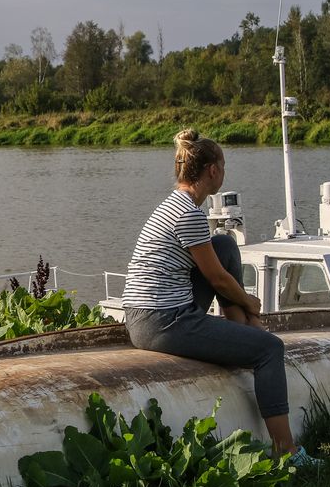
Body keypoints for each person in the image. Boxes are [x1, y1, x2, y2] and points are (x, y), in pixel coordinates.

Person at [121, 129, 316, 463]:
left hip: (147, 312)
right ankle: (287, 451)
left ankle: (243, 330)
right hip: (163, 321)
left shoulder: (175, 204)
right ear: (212, 170)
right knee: (270, 350)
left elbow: (216, 266)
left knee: (224, 243)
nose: (224, 174)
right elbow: (218, 281)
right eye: (223, 167)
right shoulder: (189, 214)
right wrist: (250, 303)